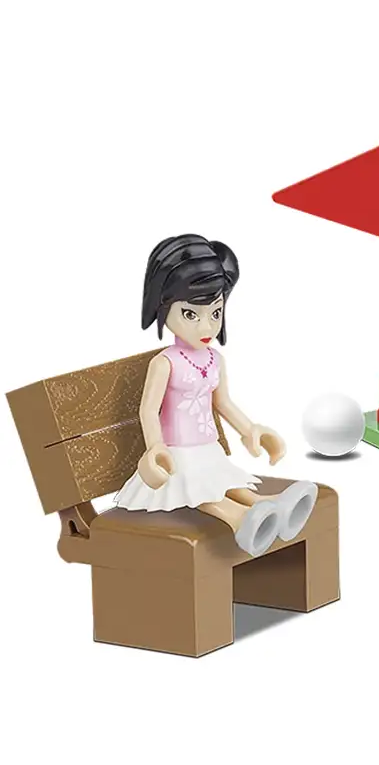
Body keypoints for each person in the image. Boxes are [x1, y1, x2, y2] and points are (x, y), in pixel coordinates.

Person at [115, 234, 318, 557]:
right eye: (190, 314)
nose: (205, 326)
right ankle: (238, 520)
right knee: (200, 489)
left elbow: (223, 403)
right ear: (163, 307)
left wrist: (251, 430)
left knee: (223, 481)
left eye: (215, 312)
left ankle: (268, 505)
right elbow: (148, 411)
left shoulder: (215, 360)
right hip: (176, 453)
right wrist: (156, 446)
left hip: (207, 449)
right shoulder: (165, 363)